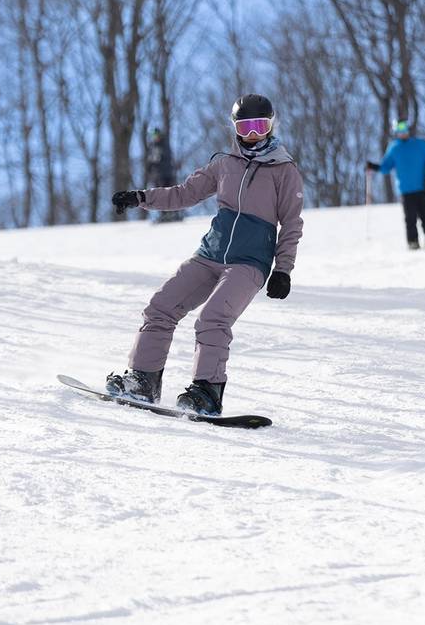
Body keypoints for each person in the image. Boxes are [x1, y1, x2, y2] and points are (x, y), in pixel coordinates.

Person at [106, 94, 304, 415]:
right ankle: (142, 380)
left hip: (248, 263)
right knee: (161, 306)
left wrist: (283, 269)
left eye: (260, 126)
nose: (253, 134)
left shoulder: (284, 170)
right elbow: (184, 193)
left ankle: (207, 392)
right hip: (209, 254)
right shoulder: (224, 164)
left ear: (271, 125)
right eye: (245, 126)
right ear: (235, 128)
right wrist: (140, 197)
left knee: (213, 319)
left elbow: (292, 223)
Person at [366, 119, 425, 250]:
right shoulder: (394, 148)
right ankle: (413, 242)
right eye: (399, 130)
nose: (403, 132)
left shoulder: (420, 144)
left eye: (404, 129)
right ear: (396, 132)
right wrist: (374, 167)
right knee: (410, 217)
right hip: (406, 189)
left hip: (422, 186)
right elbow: (386, 167)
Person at [144, 126, 181, 223]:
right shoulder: (153, 146)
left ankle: (174, 213)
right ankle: (164, 214)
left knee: (169, 193)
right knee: (160, 194)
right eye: (153, 135)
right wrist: (149, 168)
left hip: (166, 174)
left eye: (156, 135)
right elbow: (151, 161)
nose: (155, 137)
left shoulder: (163, 145)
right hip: (158, 175)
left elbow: (160, 159)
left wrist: (153, 161)